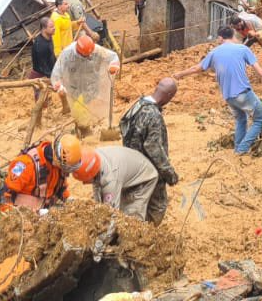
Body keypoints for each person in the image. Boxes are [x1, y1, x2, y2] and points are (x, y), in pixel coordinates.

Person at [175, 27, 262, 154]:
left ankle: (238, 148)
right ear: (233, 35)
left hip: (228, 97)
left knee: (241, 119)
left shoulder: (214, 53)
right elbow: (261, 72)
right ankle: (242, 149)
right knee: (260, 118)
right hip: (243, 92)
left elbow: (196, 68)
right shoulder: (243, 49)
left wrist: (179, 74)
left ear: (221, 38)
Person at [121, 79, 179, 222]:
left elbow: (123, 125)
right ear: (170, 95)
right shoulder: (153, 115)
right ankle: (148, 236)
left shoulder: (138, 104)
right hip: (149, 170)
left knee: (133, 202)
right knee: (157, 207)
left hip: (130, 166)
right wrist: (169, 173)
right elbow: (153, 147)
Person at [52, 35, 122, 137]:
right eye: (86, 55)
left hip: (91, 86)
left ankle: (82, 128)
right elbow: (56, 72)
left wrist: (113, 65)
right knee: (79, 109)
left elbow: (113, 56)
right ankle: (85, 131)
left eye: (90, 54)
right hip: (74, 87)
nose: (89, 56)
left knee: (87, 109)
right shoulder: (67, 53)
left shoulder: (96, 49)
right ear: (79, 51)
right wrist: (58, 86)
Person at [0, 134, 82, 213]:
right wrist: (10, 217)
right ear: (57, 159)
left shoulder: (58, 168)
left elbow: (61, 191)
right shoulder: (25, 164)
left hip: (46, 212)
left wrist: (72, 203)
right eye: (66, 167)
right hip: (25, 213)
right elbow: (4, 192)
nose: (66, 170)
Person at [72, 144, 160, 220]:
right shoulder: (92, 159)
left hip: (144, 178)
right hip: (128, 171)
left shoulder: (110, 179)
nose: (84, 183)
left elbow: (112, 214)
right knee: (118, 208)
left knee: (131, 218)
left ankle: (141, 237)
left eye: (85, 181)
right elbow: (97, 189)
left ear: (92, 174)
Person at [29, 16, 56, 81]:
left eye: (54, 26)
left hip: (49, 72)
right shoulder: (40, 45)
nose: (54, 28)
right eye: (51, 27)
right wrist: (53, 77)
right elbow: (42, 67)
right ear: (44, 29)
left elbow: (51, 55)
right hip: (40, 77)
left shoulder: (49, 37)